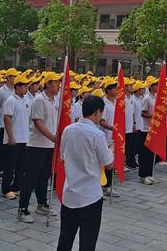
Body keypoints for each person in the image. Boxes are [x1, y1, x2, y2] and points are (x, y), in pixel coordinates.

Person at [56, 96, 114, 251]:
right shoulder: (97, 135)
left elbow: (62, 158)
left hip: (70, 194)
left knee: (65, 240)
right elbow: (109, 164)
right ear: (96, 112)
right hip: (90, 197)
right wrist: (111, 150)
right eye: (101, 113)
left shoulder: (68, 130)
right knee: (87, 243)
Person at [18, 71, 61, 224]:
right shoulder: (39, 100)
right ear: (48, 84)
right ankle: (22, 208)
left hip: (50, 146)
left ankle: (42, 203)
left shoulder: (56, 101)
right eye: (55, 82)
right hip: (36, 145)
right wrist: (52, 137)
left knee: (44, 176)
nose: (58, 85)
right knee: (30, 177)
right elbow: (38, 122)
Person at [2, 75, 30, 200]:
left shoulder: (27, 101)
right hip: (13, 139)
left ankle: (16, 187)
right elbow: (7, 119)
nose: (26, 88)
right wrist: (11, 137)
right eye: (24, 86)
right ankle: (6, 189)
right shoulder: (10, 100)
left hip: (24, 138)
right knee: (9, 165)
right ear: (17, 87)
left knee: (21, 166)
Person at [98, 78, 118, 197]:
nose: (116, 90)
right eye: (114, 88)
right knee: (102, 163)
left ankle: (109, 186)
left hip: (114, 138)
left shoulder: (117, 102)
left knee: (111, 161)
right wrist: (111, 128)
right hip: (105, 137)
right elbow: (101, 121)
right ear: (108, 90)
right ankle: (100, 186)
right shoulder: (104, 103)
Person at [138, 76, 158, 185]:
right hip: (145, 130)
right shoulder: (147, 98)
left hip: (153, 130)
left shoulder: (156, 98)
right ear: (151, 87)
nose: (157, 86)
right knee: (145, 154)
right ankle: (143, 175)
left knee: (151, 154)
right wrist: (151, 115)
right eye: (155, 84)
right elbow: (142, 113)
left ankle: (150, 174)